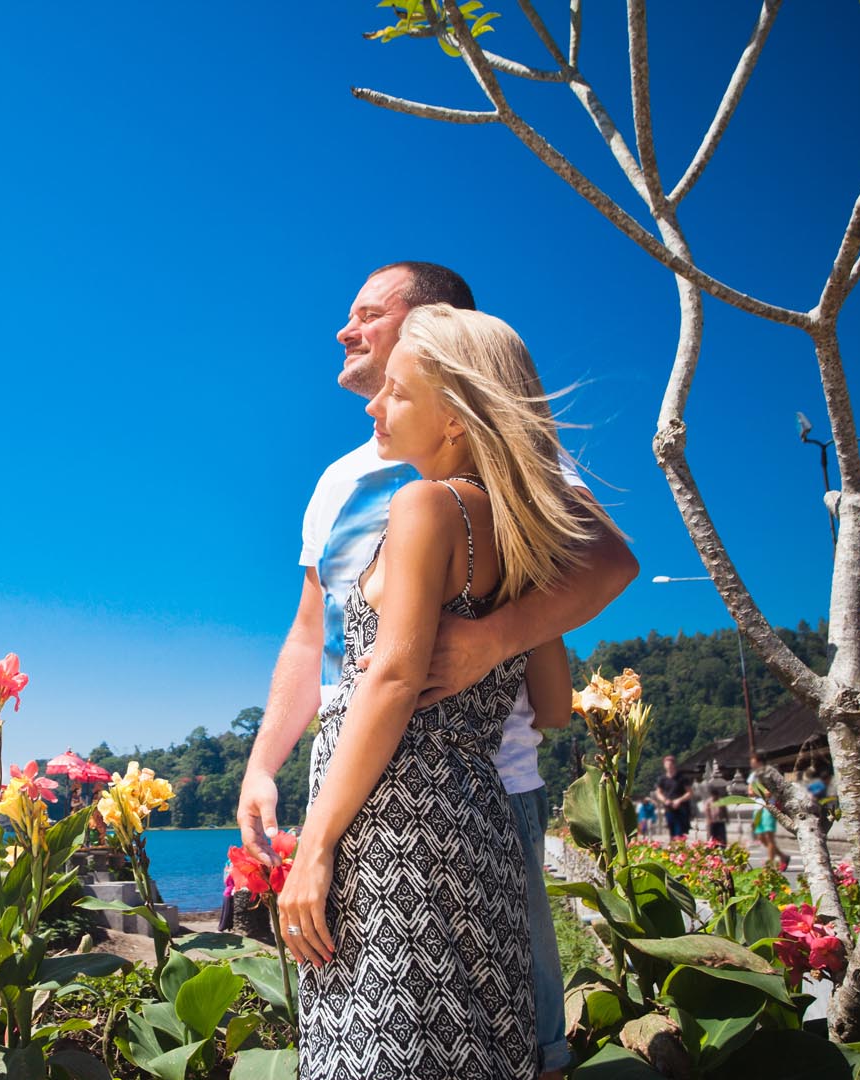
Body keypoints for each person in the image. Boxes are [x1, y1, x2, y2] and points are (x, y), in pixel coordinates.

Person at [238, 263, 637, 1080]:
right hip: (467, 805)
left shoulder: (447, 495)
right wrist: (261, 764)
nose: (347, 335)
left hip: (401, 805)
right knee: (483, 1041)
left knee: (389, 1040)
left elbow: (608, 563)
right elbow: (314, 640)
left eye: (369, 315)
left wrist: (314, 847)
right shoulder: (347, 483)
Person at [749, 753, 788, 871]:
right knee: (761, 837)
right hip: (757, 807)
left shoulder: (769, 773)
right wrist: (760, 791)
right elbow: (750, 791)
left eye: (753, 761)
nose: (752, 763)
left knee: (769, 836)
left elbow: (770, 792)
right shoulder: (753, 775)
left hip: (769, 807)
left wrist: (759, 791)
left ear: (760, 761)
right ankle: (782, 856)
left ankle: (770, 864)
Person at [653, 755, 693, 839]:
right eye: (667, 765)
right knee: (672, 832)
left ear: (674, 765)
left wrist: (679, 800)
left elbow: (689, 793)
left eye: (670, 764)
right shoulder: (662, 779)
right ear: (664, 766)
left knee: (680, 832)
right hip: (669, 808)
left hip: (681, 808)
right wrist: (665, 800)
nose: (669, 767)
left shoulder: (682, 778)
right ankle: (674, 850)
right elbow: (658, 793)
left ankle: (680, 849)